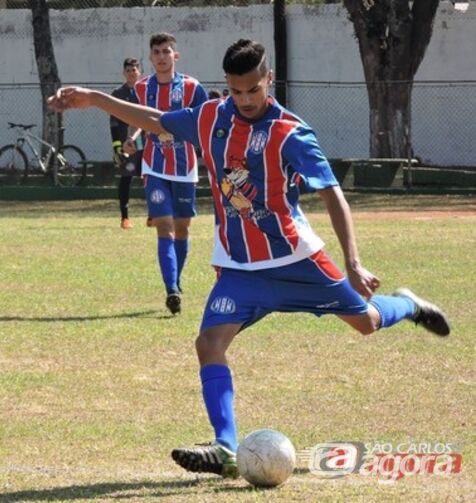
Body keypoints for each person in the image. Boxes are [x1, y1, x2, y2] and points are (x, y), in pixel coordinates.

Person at [47, 38, 450, 478]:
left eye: (253, 90)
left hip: (297, 260)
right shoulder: (209, 116)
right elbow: (157, 119)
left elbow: (333, 193)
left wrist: (353, 262)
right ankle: (225, 447)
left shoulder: (290, 132)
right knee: (208, 344)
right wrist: (96, 99)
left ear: (268, 79)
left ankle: (408, 303)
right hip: (240, 268)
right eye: (237, 91)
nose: (245, 100)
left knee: (367, 323)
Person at [122, 32, 209, 314]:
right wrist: (132, 136)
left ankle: (176, 279)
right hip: (155, 166)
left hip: (185, 168)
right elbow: (137, 117)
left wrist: (207, 150)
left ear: (176, 55)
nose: (161, 56)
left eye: (166, 51)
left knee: (182, 228)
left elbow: (204, 122)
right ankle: (171, 289)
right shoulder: (142, 88)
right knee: (164, 226)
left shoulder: (192, 88)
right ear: (151, 58)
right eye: (157, 52)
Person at [110, 58, 143, 230]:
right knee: (126, 178)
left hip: (145, 142)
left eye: (134, 70)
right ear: (124, 73)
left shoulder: (146, 91)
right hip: (127, 144)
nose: (131, 73)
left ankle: (153, 215)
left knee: (151, 178)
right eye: (128, 70)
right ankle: (125, 217)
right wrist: (117, 147)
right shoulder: (118, 94)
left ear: (139, 72)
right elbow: (114, 122)